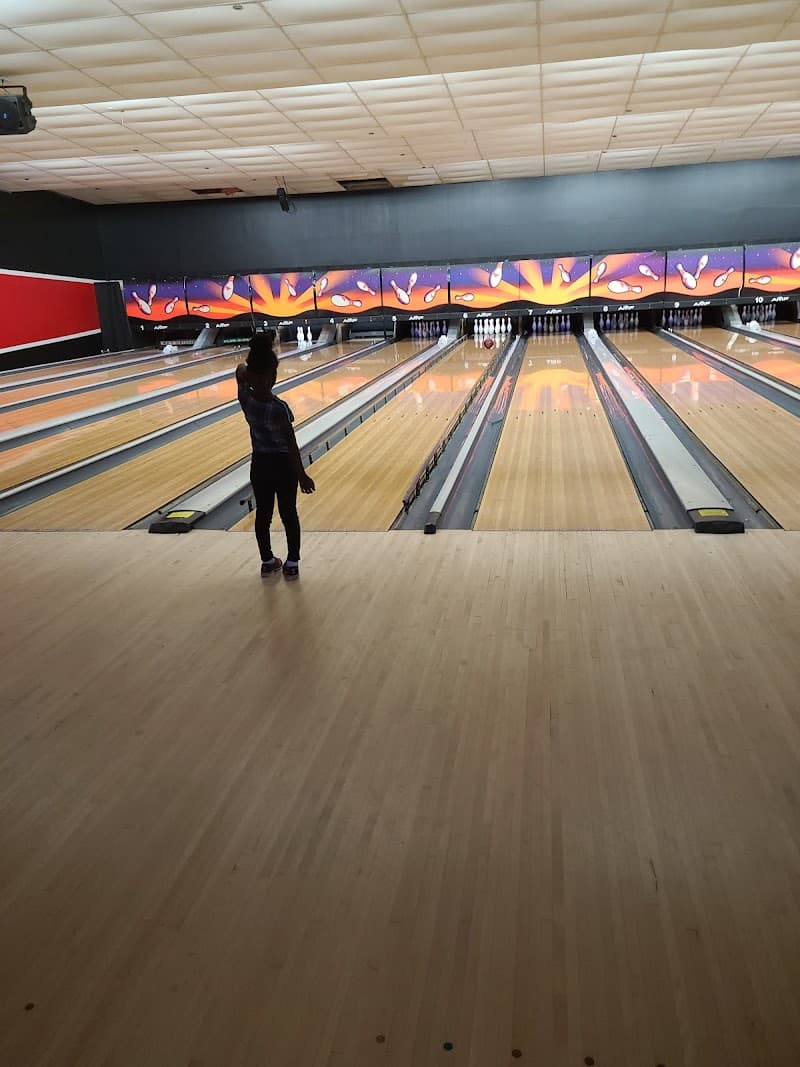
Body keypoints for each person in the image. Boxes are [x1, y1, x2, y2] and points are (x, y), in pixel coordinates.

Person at [236, 332, 315, 579]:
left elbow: (239, 370)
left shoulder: (245, 398)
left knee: (263, 514)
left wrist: (248, 373)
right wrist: (302, 475)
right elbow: (291, 445)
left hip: (260, 465)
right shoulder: (280, 409)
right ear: (274, 376)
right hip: (283, 467)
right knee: (288, 512)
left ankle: (267, 560)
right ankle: (292, 562)